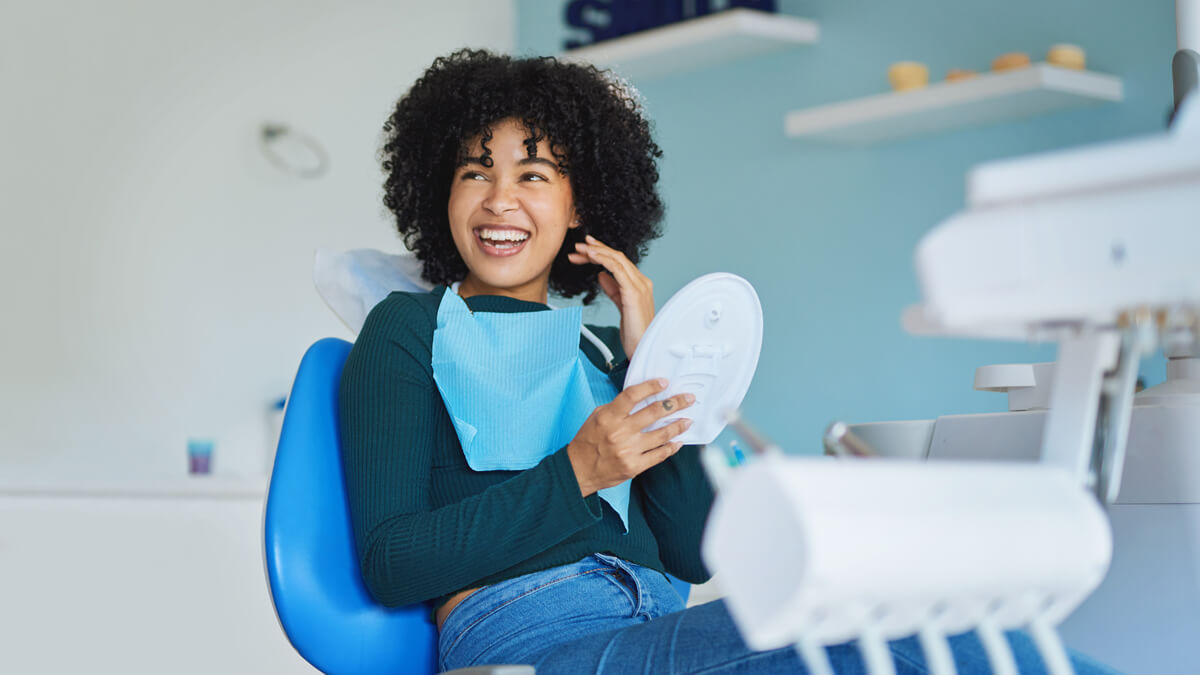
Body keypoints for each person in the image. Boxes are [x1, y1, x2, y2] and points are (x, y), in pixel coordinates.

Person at [339, 49, 1119, 674]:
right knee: (881, 634)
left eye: (533, 175)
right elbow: (390, 561)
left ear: (578, 207)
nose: (499, 199)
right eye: (475, 171)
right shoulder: (408, 330)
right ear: (439, 193)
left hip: (648, 624)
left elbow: (693, 548)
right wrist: (577, 469)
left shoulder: (603, 350)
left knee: (914, 620)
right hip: (528, 642)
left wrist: (657, 363)